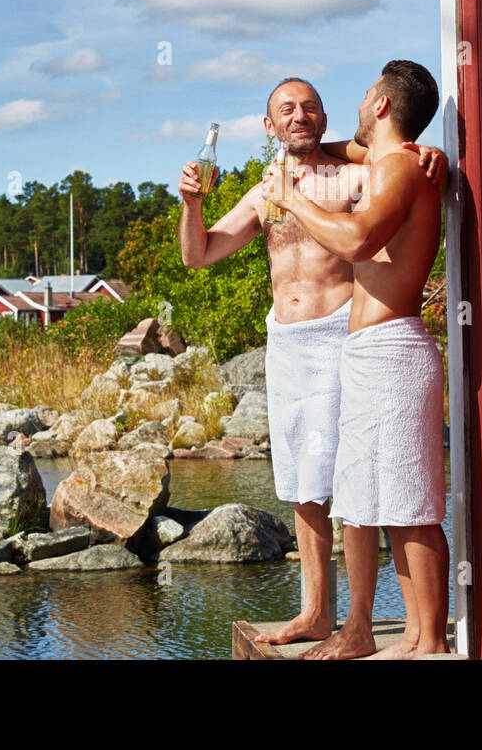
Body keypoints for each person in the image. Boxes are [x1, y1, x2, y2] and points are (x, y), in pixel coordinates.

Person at [178, 76, 445, 646]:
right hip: (287, 346)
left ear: (325, 120)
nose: (299, 115)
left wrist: (428, 149)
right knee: (304, 482)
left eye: (311, 107)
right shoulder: (264, 190)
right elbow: (199, 256)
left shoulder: (355, 172)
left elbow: (391, 158)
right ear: (267, 124)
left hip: (341, 335)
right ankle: (315, 610)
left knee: (354, 486)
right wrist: (191, 205)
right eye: (286, 109)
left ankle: (361, 621)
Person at [260, 60, 447, 659]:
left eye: (367, 95)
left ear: (384, 106)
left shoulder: (396, 169)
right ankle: (413, 637)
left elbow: (360, 238)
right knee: (378, 501)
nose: (359, 103)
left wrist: (291, 198)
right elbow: (339, 147)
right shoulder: (390, 162)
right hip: (366, 350)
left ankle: (433, 644)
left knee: (411, 505)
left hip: (392, 349)